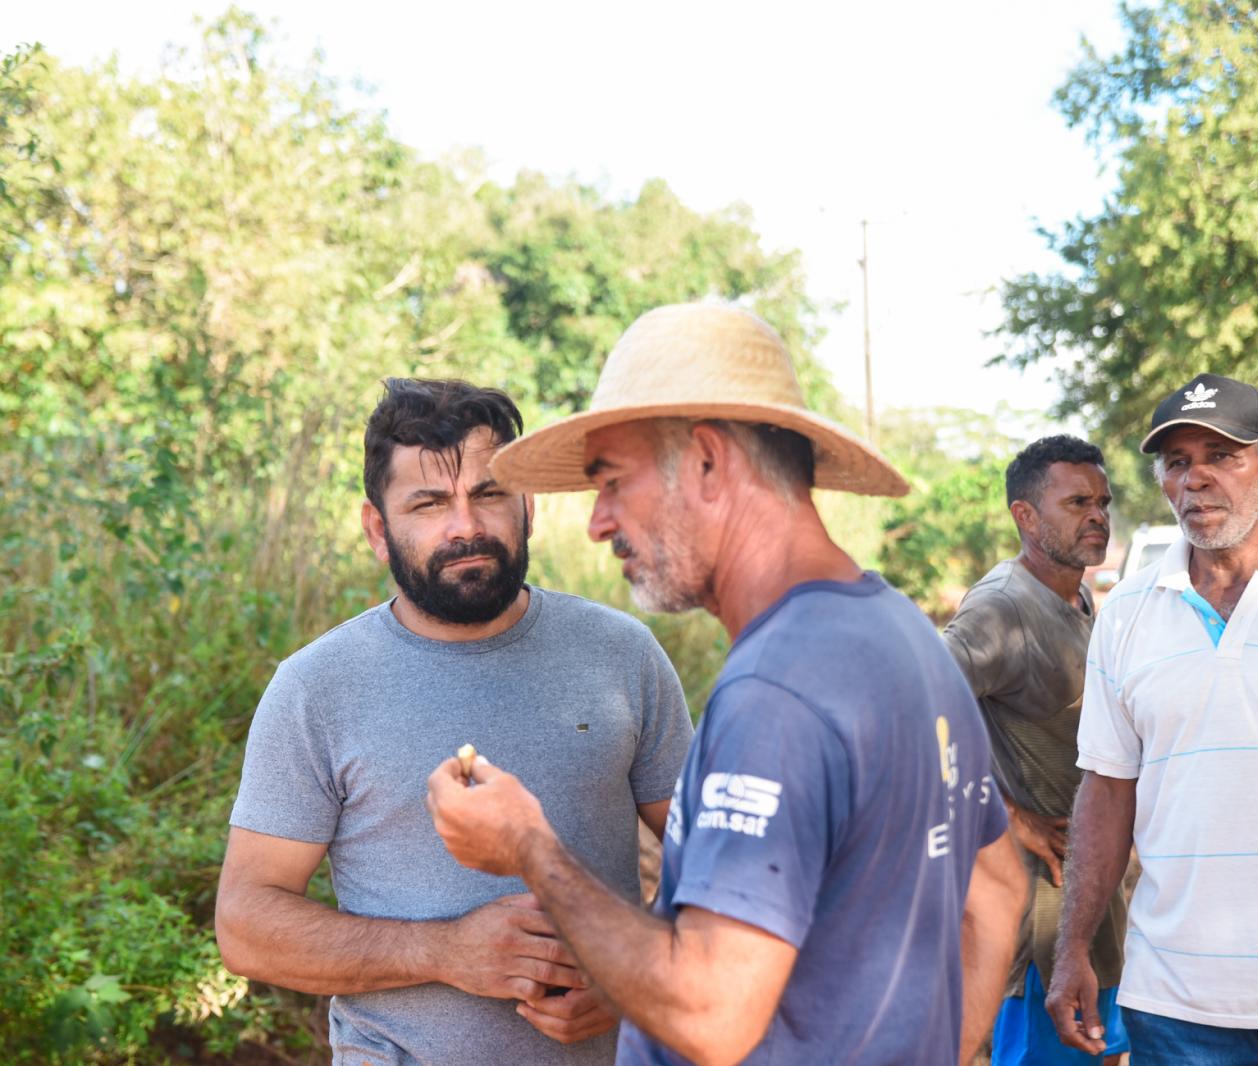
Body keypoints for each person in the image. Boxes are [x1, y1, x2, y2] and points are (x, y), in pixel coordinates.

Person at [425, 303, 1027, 1066]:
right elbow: (998, 892)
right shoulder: (904, 635)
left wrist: (529, 848)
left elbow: (713, 1012)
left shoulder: (777, 690)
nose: (597, 523)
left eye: (612, 481)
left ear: (708, 463)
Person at [215, 377, 694, 1064]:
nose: (465, 526)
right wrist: (443, 952)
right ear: (379, 529)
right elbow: (246, 928)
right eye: (430, 503)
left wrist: (630, 970)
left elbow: (713, 864)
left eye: (490, 493)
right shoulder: (316, 688)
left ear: (527, 505)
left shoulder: (622, 655)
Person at [1046, 372, 1258, 1064]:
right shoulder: (1127, 613)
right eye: (1178, 462)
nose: (1196, 480)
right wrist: (1073, 951)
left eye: (1222, 456)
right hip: (1178, 1005)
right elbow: (1107, 789)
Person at [942, 435, 1129, 1066]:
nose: (1098, 515)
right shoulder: (1001, 611)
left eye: (1103, 501)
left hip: (1089, 902)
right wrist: (1007, 817)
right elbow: (906, 707)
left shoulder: (1074, 593)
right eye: (1078, 502)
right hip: (1041, 921)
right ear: (1026, 516)